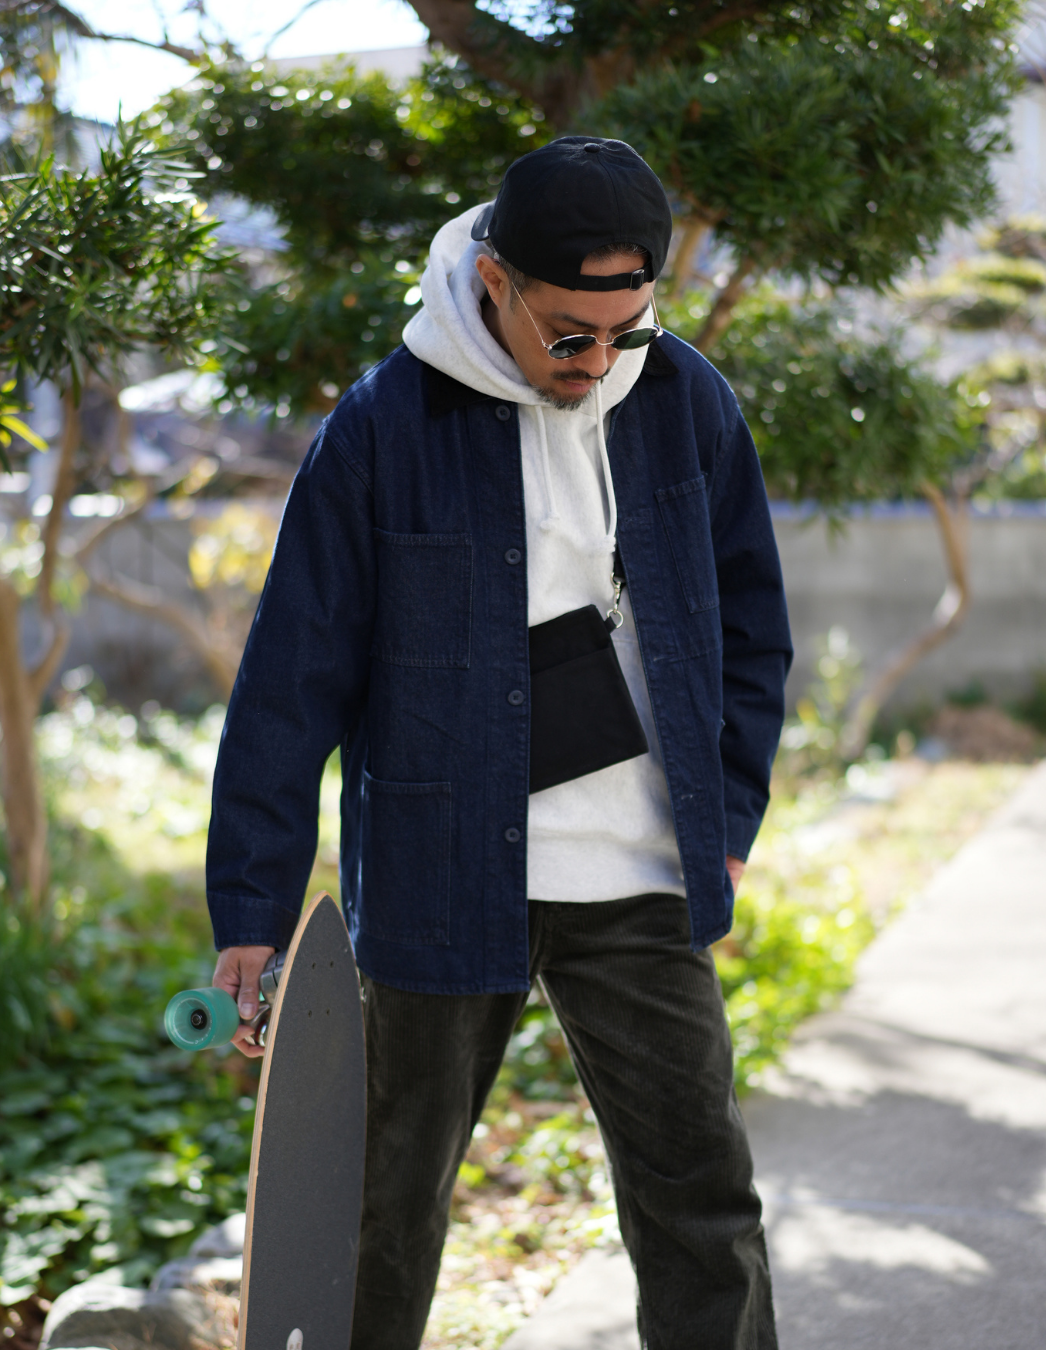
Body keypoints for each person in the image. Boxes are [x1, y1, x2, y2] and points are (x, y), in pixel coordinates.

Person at [206, 136, 792, 1350]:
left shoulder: (685, 402)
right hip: (439, 874)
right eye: (570, 335)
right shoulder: (385, 425)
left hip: (638, 873)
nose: (599, 362)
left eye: (626, 331)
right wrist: (251, 912)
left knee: (704, 1207)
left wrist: (729, 821)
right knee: (381, 1216)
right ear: (493, 282)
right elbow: (292, 678)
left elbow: (753, 630)